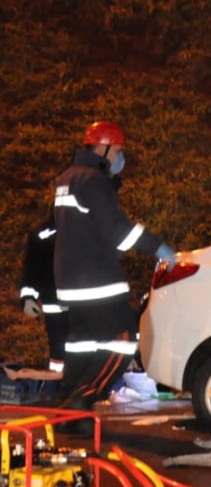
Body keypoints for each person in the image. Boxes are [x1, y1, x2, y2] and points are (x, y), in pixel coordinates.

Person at [53, 121, 177, 415]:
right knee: (122, 340)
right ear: (103, 148)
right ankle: (84, 396)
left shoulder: (67, 178)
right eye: (118, 151)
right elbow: (117, 230)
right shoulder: (93, 181)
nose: (121, 159)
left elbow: (89, 230)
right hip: (96, 282)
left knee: (82, 344)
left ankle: (71, 412)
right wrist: (157, 246)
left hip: (70, 282)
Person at [19, 213, 68, 378]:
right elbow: (32, 269)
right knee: (58, 348)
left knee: (82, 347)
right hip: (55, 303)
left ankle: (80, 387)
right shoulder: (43, 234)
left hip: (81, 304)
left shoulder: (84, 228)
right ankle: (58, 385)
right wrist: (28, 298)